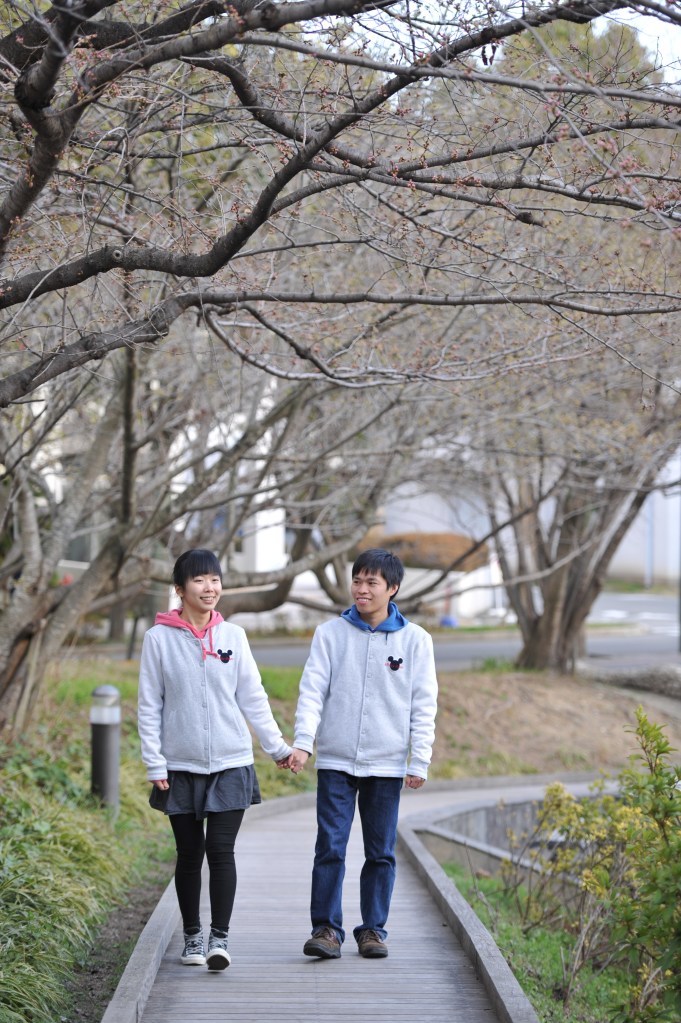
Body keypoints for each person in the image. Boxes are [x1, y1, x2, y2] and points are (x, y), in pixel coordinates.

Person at [138, 548, 292, 971]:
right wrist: (155, 763)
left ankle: (219, 939)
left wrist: (277, 747)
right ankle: (191, 936)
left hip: (231, 762)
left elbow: (253, 698)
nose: (210, 588)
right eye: (200, 581)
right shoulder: (158, 640)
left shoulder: (234, 637)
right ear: (180, 589)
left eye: (215, 580)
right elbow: (149, 705)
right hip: (180, 766)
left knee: (221, 851)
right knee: (189, 853)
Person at [288, 547, 438, 960]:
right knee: (330, 847)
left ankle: (372, 930)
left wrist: (418, 759)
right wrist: (304, 741)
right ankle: (326, 929)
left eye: (372, 582)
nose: (362, 589)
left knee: (381, 852)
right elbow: (312, 692)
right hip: (336, 761)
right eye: (357, 580)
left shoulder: (416, 641)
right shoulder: (330, 634)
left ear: (392, 588)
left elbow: (424, 704)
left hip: (388, 765)